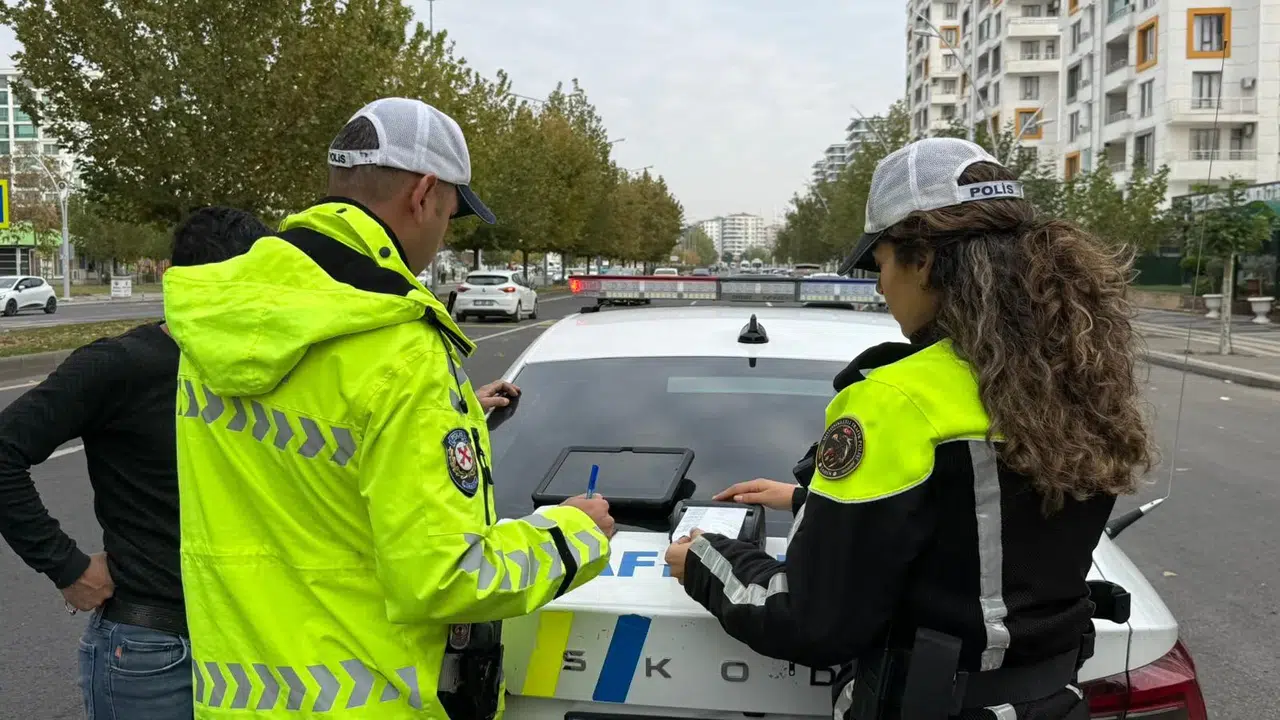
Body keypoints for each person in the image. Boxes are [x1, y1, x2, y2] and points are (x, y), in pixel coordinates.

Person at [664, 138, 1154, 720]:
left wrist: (705, 560)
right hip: (1051, 701)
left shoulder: (896, 398)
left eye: (881, 263)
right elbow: (983, 530)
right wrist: (807, 501)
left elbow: (814, 620)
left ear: (922, 259)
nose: (879, 286)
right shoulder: (1068, 376)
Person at [161, 97, 615, 719]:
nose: (443, 234)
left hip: (236, 702)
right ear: (423, 194)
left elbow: (312, 476)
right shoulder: (398, 349)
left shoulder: (219, 321)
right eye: (450, 214)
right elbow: (446, 577)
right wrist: (573, 535)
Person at [0, 206, 270, 719]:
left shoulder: (276, 372)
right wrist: (67, 566)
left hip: (256, 643)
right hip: (156, 651)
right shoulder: (122, 367)